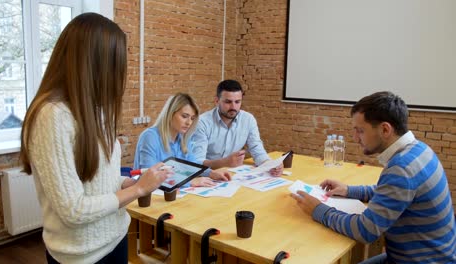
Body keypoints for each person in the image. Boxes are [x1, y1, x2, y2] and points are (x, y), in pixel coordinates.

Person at [19, 13, 171, 264]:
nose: (120, 73)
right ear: (94, 64)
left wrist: (132, 182)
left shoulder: (95, 109)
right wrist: (140, 189)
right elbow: (74, 210)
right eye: (116, 64)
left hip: (116, 238)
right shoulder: (52, 116)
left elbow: (100, 182)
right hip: (82, 256)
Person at [291, 91, 456, 263]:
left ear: (385, 129)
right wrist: (349, 190)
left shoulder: (401, 168)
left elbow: (365, 230)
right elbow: (390, 191)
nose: (355, 137)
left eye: (360, 131)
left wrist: (317, 209)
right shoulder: (419, 150)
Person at [134, 93, 231, 187]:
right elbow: (151, 176)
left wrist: (211, 173)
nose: (189, 122)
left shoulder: (183, 138)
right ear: (170, 114)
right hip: (149, 195)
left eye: (192, 118)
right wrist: (190, 182)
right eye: (184, 116)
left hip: (173, 193)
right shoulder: (150, 136)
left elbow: (193, 165)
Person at [193, 79, 283, 176]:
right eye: (228, 102)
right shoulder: (202, 123)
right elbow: (197, 162)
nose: (233, 107)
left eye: (237, 102)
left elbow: (257, 150)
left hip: (233, 175)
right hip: (208, 175)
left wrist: (269, 164)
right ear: (217, 101)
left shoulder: (248, 119)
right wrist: (224, 162)